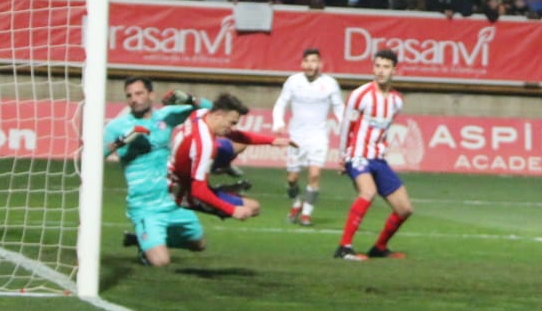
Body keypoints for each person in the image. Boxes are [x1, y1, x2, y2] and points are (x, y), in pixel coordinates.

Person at [104, 77, 209, 267]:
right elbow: (92, 155)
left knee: (199, 244)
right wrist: (120, 142)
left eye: (139, 93)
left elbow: (210, 111)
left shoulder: (166, 117)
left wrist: (191, 99)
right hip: (145, 206)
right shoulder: (116, 127)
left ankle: (141, 240)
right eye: (129, 95)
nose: (134, 99)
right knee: (161, 262)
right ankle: (147, 246)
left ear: (151, 95)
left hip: (172, 200)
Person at [334, 49, 413, 260]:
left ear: (394, 70)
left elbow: (383, 130)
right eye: (377, 66)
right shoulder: (360, 95)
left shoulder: (396, 100)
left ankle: (379, 248)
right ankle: (344, 248)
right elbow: (345, 127)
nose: (380, 71)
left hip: (378, 158)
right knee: (367, 193)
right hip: (357, 155)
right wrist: (342, 156)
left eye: (386, 67)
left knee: (404, 209)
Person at [169, 93, 291, 222]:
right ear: (218, 115)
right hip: (181, 191)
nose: (232, 128)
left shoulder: (201, 114)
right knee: (253, 207)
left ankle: (220, 173)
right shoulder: (205, 146)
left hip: (178, 164)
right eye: (231, 123)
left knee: (239, 144)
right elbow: (198, 191)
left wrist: (273, 141)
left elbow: (236, 135)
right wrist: (232, 210)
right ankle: (220, 189)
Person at [272, 48, 345, 227]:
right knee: (292, 179)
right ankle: (297, 202)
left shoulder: (329, 83)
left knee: (314, 175)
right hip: (296, 137)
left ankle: (306, 214)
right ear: (302, 64)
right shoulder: (293, 81)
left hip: (319, 136)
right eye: (307, 61)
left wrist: (345, 126)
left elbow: (339, 108)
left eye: (314, 61)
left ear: (320, 64)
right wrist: (278, 122)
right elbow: (281, 104)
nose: (310, 65)